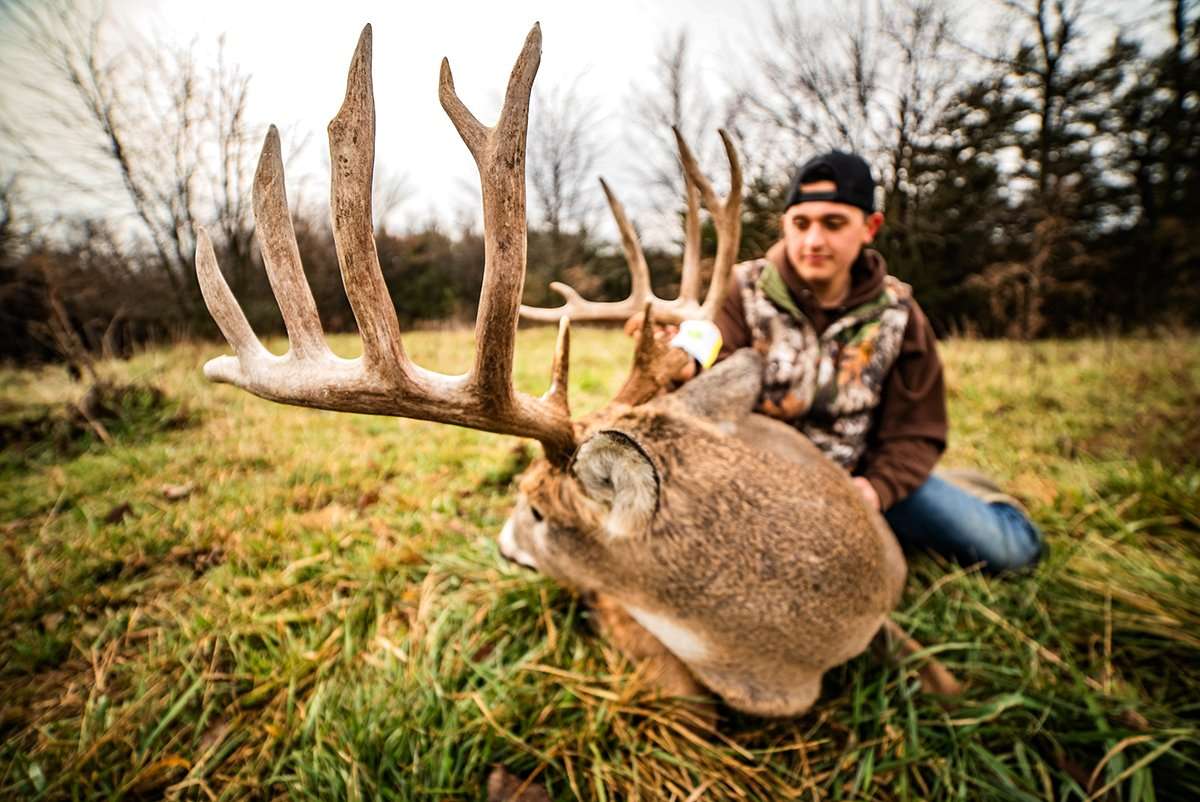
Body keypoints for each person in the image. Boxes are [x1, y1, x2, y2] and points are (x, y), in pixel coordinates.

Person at [672, 151, 1043, 573]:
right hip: (756, 481)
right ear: (784, 225)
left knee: (1012, 554)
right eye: (801, 223)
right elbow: (705, 357)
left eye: (833, 224)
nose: (813, 241)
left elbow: (917, 430)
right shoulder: (740, 291)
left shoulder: (898, 315)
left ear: (870, 227)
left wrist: (877, 489)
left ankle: (973, 494)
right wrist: (679, 364)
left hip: (855, 481)